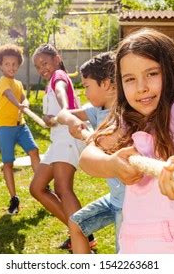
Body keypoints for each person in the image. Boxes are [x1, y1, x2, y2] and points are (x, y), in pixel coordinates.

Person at [79, 28, 174, 254]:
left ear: (171, 71)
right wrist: (111, 163)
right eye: (130, 79)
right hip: (139, 237)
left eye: (152, 73)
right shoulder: (128, 119)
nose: (141, 86)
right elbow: (88, 156)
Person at [56, 52, 124, 253]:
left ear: (106, 84)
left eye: (87, 86)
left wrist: (87, 134)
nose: (84, 92)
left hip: (130, 205)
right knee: (76, 225)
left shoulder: (126, 115)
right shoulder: (97, 110)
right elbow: (62, 114)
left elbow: (104, 147)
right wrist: (73, 121)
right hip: (115, 198)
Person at [30, 44, 94, 249]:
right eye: (38, 66)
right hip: (58, 140)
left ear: (57, 59)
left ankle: (83, 237)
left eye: (45, 62)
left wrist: (65, 109)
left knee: (62, 188)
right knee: (37, 188)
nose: (42, 68)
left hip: (69, 137)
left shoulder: (59, 76)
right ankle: (83, 234)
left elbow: (60, 92)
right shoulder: (50, 83)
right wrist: (51, 118)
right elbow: (54, 113)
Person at [0, 44, 40, 215]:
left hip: (20, 125)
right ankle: (14, 198)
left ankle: (42, 184)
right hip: (5, 127)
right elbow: (9, 95)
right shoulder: (2, 82)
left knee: (34, 151)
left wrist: (25, 104)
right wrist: (19, 104)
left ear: (18, 65)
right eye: (7, 64)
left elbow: (22, 97)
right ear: (0, 65)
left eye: (14, 64)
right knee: (8, 162)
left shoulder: (18, 83)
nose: (11, 67)